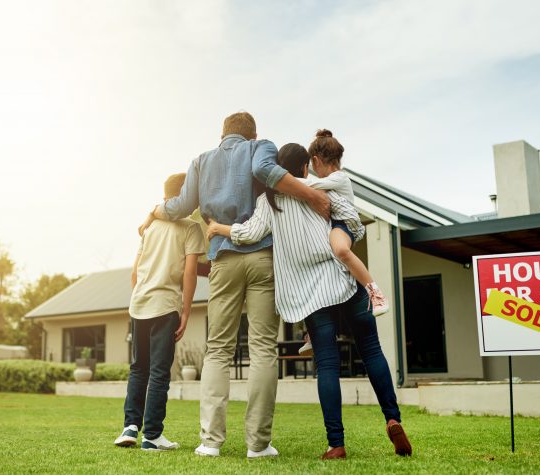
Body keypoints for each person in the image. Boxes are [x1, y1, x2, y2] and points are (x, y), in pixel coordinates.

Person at [138, 112, 330, 458]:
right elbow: (266, 172)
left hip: (223, 260)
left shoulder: (201, 161)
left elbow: (181, 206)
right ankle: (258, 444)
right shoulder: (260, 147)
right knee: (262, 349)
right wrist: (313, 196)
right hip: (261, 260)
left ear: (222, 134)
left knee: (218, 350)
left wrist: (156, 209)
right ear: (253, 133)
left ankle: (210, 442)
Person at [207, 143, 412, 460]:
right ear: (305, 167)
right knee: (371, 349)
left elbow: (249, 233)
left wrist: (218, 228)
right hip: (342, 280)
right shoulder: (318, 189)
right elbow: (350, 220)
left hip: (310, 296)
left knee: (327, 365)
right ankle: (392, 418)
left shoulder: (268, 200)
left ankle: (336, 444)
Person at [115, 173, 205, 451]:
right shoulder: (191, 228)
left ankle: (130, 427)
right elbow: (190, 272)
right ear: (185, 197)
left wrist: (140, 293)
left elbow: (134, 272)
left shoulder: (149, 227)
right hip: (165, 306)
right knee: (158, 372)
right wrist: (186, 310)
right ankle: (152, 435)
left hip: (139, 304)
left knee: (138, 368)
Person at [298, 129, 390, 357]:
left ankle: (375, 292)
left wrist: (284, 179)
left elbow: (309, 187)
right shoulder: (332, 179)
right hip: (333, 227)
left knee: (340, 250)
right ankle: (310, 331)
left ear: (316, 161)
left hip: (344, 226)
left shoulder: (339, 177)